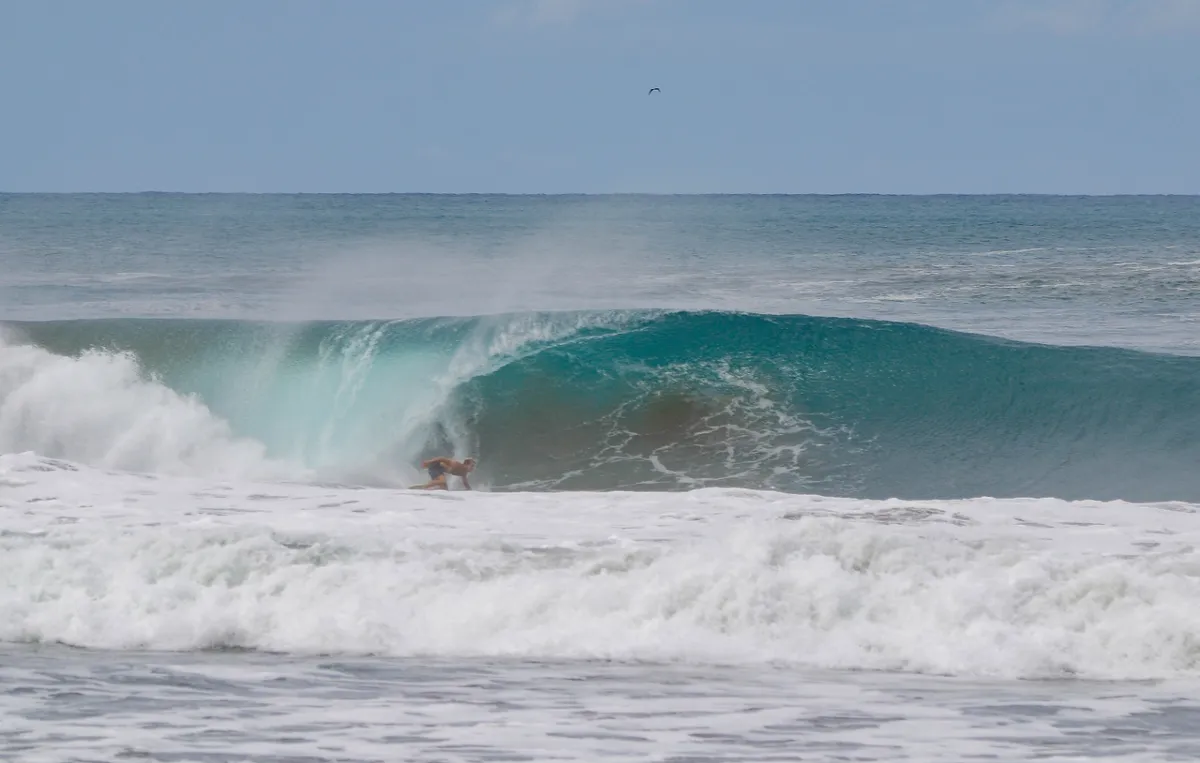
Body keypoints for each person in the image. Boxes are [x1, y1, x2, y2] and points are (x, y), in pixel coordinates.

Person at [411, 456, 476, 490]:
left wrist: (471, 492)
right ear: (466, 464)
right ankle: (424, 487)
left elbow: (465, 483)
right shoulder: (456, 464)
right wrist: (429, 461)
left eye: (473, 466)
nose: (473, 468)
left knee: (444, 490)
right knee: (443, 481)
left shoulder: (464, 473)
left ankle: (427, 490)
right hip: (435, 466)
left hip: (439, 470)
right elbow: (442, 458)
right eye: (472, 466)